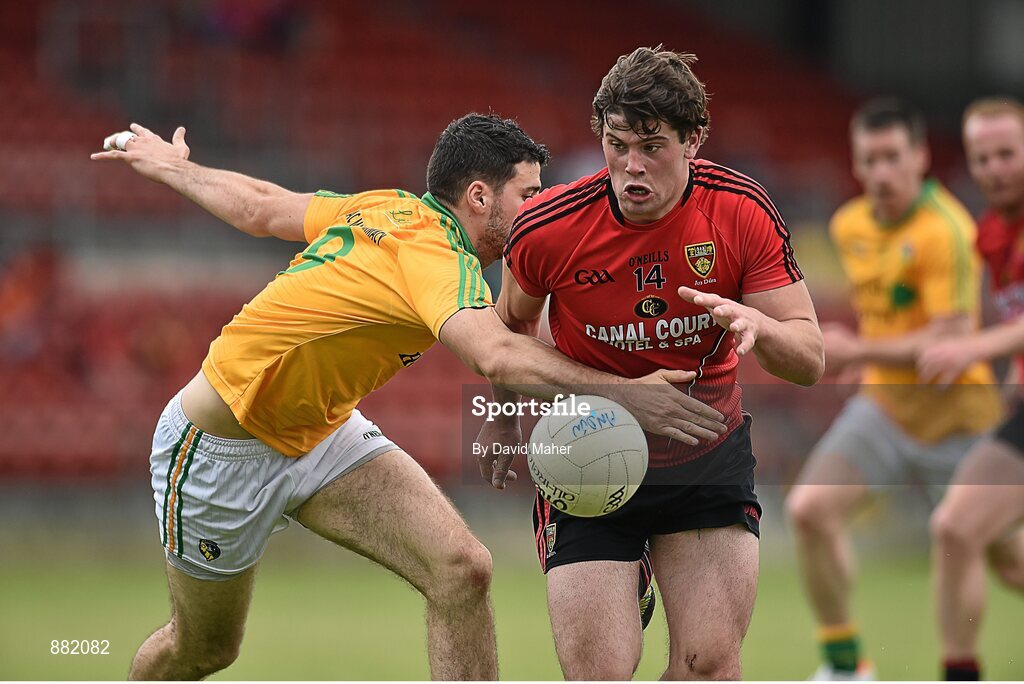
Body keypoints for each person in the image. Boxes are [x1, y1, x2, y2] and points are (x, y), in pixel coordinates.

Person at [90, 114, 728, 680]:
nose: (540, 209)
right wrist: (627, 395)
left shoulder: (389, 207)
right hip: (218, 449)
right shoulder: (436, 256)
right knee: (201, 651)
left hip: (321, 433)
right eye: (529, 195)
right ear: (479, 197)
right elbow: (496, 352)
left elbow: (262, 205)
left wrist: (177, 168)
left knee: (461, 570)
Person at [478, 47, 825, 680]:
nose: (631, 166)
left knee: (708, 667)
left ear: (694, 140)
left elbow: (809, 360)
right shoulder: (548, 226)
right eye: (617, 145)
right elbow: (510, 330)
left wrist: (761, 326)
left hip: (704, 456)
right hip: (586, 455)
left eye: (652, 146)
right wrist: (505, 417)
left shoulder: (740, 209)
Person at [784, 99, 1004, 680]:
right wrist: (872, 359)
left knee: (1007, 560)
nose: (880, 172)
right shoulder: (849, 225)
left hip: (960, 419)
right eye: (869, 160)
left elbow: (952, 337)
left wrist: (860, 352)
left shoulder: (948, 230)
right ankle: (845, 666)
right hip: (884, 406)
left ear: (920, 157)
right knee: (809, 511)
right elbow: (886, 315)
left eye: (892, 158)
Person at [918, 97, 1024, 681]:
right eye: (982, 158)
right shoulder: (991, 234)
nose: (994, 168)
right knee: (959, 531)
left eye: (1007, 153)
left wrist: (973, 350)